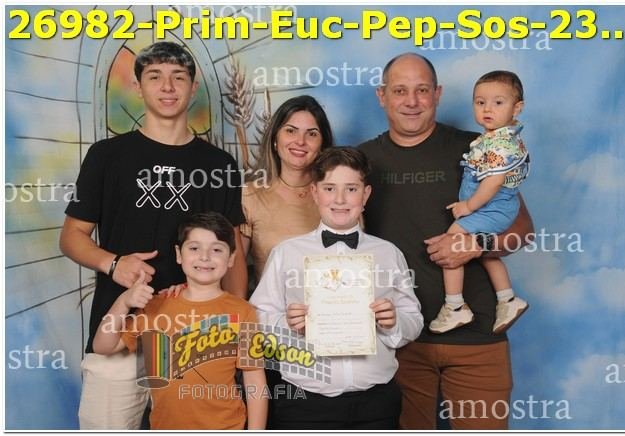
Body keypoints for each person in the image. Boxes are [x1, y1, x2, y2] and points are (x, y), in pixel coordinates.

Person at [59, 41, 247, 429]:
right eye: (155, 77)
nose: (167, 87)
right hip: (119, 332)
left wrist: (234, 323)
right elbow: (72, 236)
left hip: (193, 336)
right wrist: (114, 264)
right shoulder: (106, 156)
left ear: (193, 88)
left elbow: (234, 253)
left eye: (178, 77)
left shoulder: (219, 164)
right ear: (138, 85)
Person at [358, 53, 534, 430]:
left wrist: (477, 245)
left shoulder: (481, 148)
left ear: (437, 94)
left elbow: (523, 229)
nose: (412, 101)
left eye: (422, 90)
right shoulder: (361, 162)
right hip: (395, 340)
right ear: (381, 96)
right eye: (399, 90)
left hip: (478, 338)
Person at [249, 147, 424, 430]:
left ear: (365, 195)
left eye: (351, 189)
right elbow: (258, 316)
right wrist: (287, 325)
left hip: (376, 403)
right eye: (330, 188)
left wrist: (393, 322)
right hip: (304, 404)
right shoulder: (286, 253)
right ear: (315, 192)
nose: (340, 199)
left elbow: (413, 319)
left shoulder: (388, 253)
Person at [93, 212, 267, 429]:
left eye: (216, 250)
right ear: (179, 254)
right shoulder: (155, 306)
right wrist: (124, 301)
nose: (205, 257)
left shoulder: (242, 312)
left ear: (231, 258)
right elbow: (103, 346)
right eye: (194, 248)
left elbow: (254, 379)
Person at [429, 70, 530, 334]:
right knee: (485, 255)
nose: (487, 109)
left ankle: (455, 306)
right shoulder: (493, 138)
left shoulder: (502, 144)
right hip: (496, 206)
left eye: (498, 102)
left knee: (454, 240)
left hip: (493, 206)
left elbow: (493, 182)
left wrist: (468, 206)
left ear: (517, 108)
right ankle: (507, 299)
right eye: (480, 102)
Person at [241, 95, 334, 283]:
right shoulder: (249, 195)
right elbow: (233, 271)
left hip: (335, 301)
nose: (300, 141)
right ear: (275, 139)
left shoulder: (338, 195)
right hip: (272, 302)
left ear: (322, 145)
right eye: (291, 131)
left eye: (312, 134)